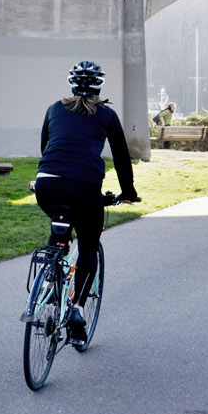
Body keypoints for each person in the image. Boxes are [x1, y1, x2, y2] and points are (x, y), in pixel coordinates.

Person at [35, 60, 140, 342]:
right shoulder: (106, 114)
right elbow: (120, 157)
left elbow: (46, 146)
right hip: (84, 188)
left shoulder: (55, 108)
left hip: (46, 184)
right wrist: (127, 192)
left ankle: (49, 281)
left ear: (71, 84)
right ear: (99, 88)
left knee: (60, 227)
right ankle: (77, 309)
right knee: (89, 245)